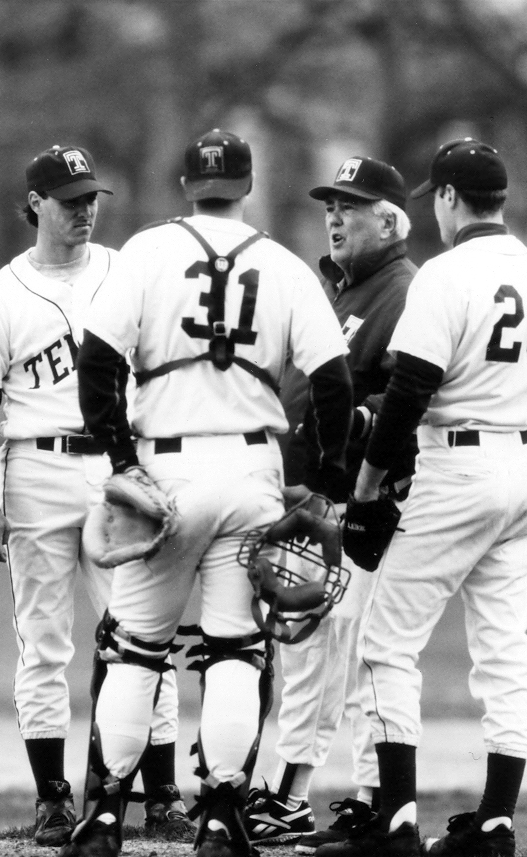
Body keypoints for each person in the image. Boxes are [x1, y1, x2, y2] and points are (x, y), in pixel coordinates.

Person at [66, 128, 354, 857]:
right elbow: (333, 385)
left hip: (164, 469)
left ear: (185, 185)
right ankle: (222, 816)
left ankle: (103, 816)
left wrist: (122, 460)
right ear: (247, 187)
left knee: (134, 648)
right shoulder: (285, 267)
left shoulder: (145, 252)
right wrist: (323, 483)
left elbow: (96, 362)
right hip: (251, 472)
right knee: (235, 650)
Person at [317, 139, 527, 857]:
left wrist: (367, 481)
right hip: (521, 470)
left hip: (455, 466)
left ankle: (394, 821)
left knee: (384, 642)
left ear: (450, 199)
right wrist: (509, 421)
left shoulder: (446, 273)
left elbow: (408, 388)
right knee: (503, 647)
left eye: (437, 195)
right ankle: (495, 822)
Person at [0, 145, 193, 847]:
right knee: (44, 644)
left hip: (119, 469)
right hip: (35, 467)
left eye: (90, 198)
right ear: (33, 204)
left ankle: (162, 793)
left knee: (143, 631)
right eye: (68, 199)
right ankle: (54, 798)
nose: (84, 209)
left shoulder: (125, 272)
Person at [245, 156, 419, 853]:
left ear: (390, 220)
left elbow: (410, 397)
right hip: (312, 498)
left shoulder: (401, 291)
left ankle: (294, 795)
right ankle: (361, 799)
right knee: (321, 651)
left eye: (352, 205)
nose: (335, 216)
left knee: (330, 649)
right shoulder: (340, 291)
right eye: (330, 204)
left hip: (357, 502)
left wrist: (356, 428)